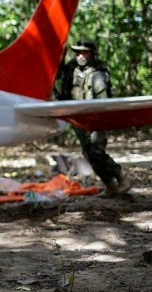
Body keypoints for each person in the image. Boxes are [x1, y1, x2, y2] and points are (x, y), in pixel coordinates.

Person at [56, 39, 131, 196]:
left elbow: (103, 100)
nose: (81, 55)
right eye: (78, 52)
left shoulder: (97, 73)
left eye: (85, 52)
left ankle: (121, 178)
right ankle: (109, 185)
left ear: (92, 54)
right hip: (77, 117)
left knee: (97, 152)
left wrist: (100, 119)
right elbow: (56, 76)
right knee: (88, 154)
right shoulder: (71, 67)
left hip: (95, 118)